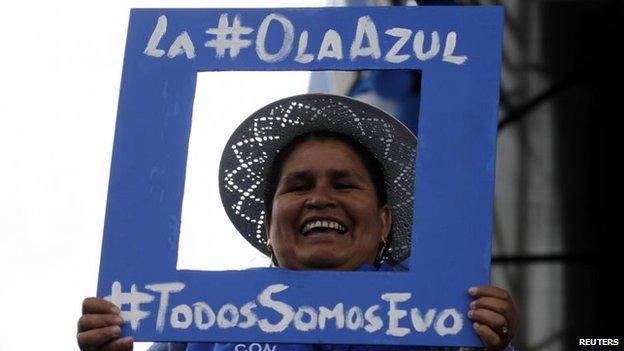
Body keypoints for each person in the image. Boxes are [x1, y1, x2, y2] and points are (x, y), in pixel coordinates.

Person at [78, 94, 517, 351]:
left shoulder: (443, 313)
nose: (320, 199)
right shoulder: (196, 315)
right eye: (298, 186)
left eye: (345, 185)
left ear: (384, 221)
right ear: (269, 222)